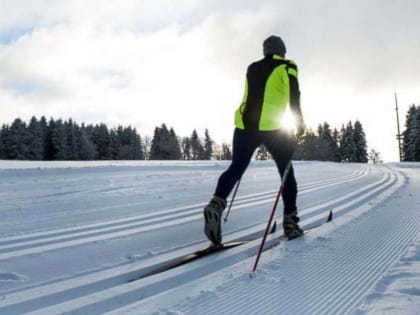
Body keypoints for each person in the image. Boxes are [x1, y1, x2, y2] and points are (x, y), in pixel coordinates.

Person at [203, 35, 305, 246]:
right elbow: (294, 97)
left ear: (265, 51)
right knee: (286, 172)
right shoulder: (288, 66)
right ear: (282, 51)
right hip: (273, 127)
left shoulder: (252, 67)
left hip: (244, 126)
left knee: (237, 167)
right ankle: (290, 224)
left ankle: (216, 203)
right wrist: (299, 124)